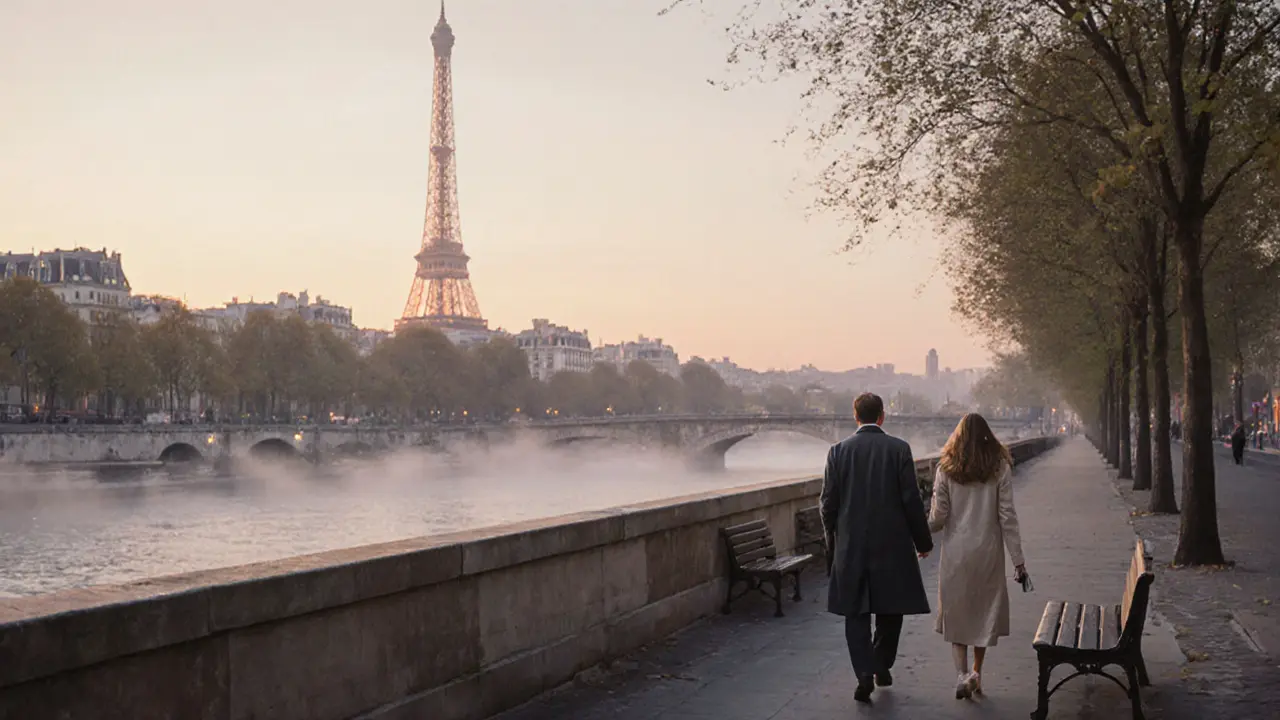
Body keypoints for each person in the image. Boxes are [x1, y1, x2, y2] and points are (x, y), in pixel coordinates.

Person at [820, 392, 933, 704]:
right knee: (890, 609)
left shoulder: (837, 452)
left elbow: (827, 505)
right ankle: (881, 662)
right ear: (882, 416)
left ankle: (864, 673)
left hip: (851, 546)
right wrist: (922, 542)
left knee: (855, 614)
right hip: (893, 545)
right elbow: (912, 501)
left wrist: (833, 545)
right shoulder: (899, 449)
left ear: (856, 417)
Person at [927, 413, 1026, 700]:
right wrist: (1018, 559)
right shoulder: (999, 468)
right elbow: (1007, 516)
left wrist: (915, 535)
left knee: (957, 613)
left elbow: (938, 517)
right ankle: (977, 674)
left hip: (956, 551)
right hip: (988, 551)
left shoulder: (945, 468)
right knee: (983, 613)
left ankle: (961, 675)